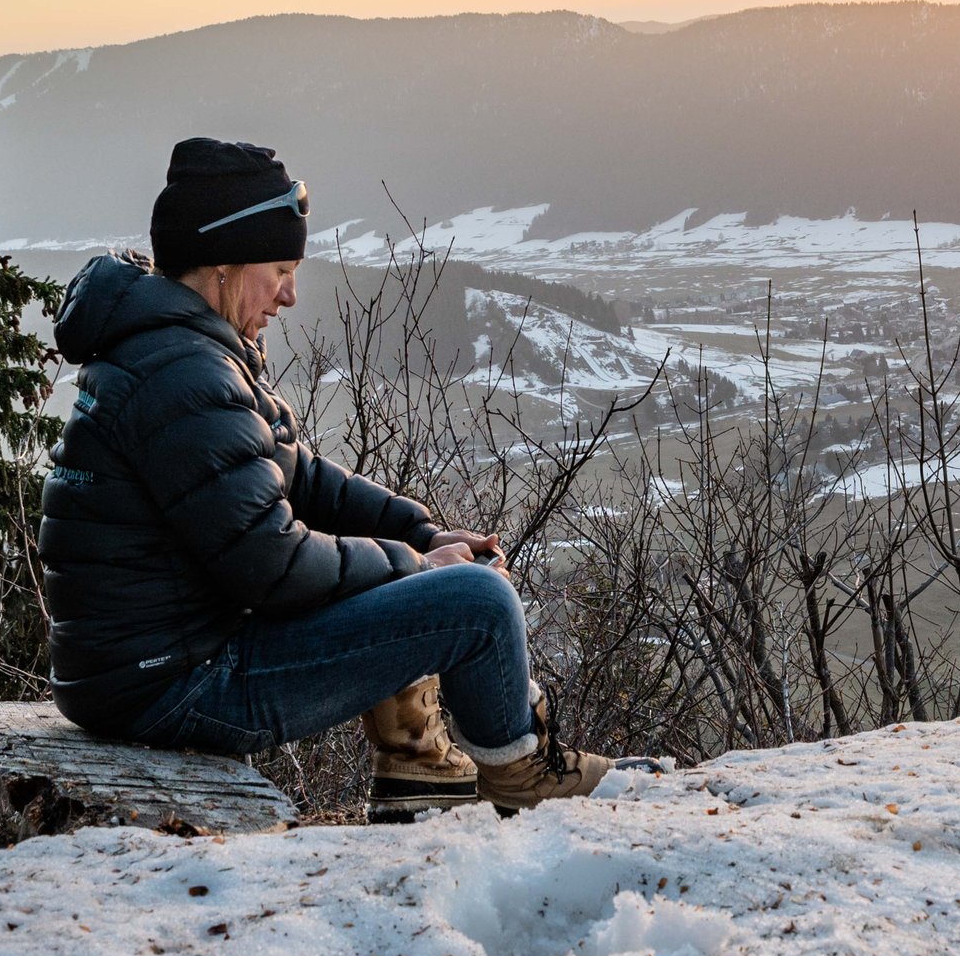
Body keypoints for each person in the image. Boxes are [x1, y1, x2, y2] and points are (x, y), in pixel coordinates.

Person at [38, 137, 610, 818]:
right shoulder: (184, 370)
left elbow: (295, 473)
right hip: (176, 685)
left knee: (438, 580)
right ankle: (516, 770)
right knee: (478, 605)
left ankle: (422, 768)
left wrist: (415, 528)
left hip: (141, 674)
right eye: (279, 267)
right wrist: (418, 565)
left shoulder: (180, 347)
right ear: (222, 262)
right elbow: (271, 561)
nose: (289, 292)